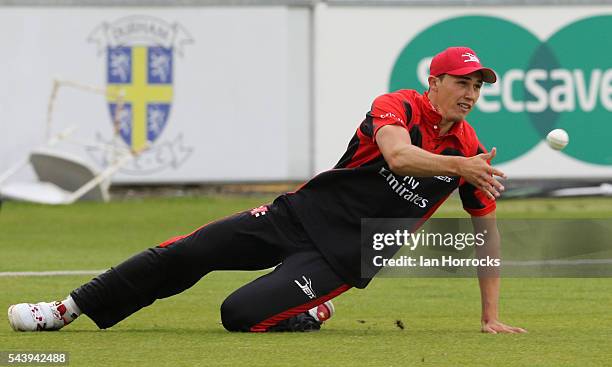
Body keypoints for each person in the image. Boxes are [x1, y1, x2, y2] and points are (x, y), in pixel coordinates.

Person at [8, 46, 526, 334]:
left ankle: (312, 308)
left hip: (345, 256)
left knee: (238, 316)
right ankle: (65, 310)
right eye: (462, 82)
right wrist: (459, 166)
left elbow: (487, 237)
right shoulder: (399, 106)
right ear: (434, 82)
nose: (471, 93)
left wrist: (490, 315)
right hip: (298, 214)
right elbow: (397, 154)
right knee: (188, 251)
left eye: (478, 86)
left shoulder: (470, 151)